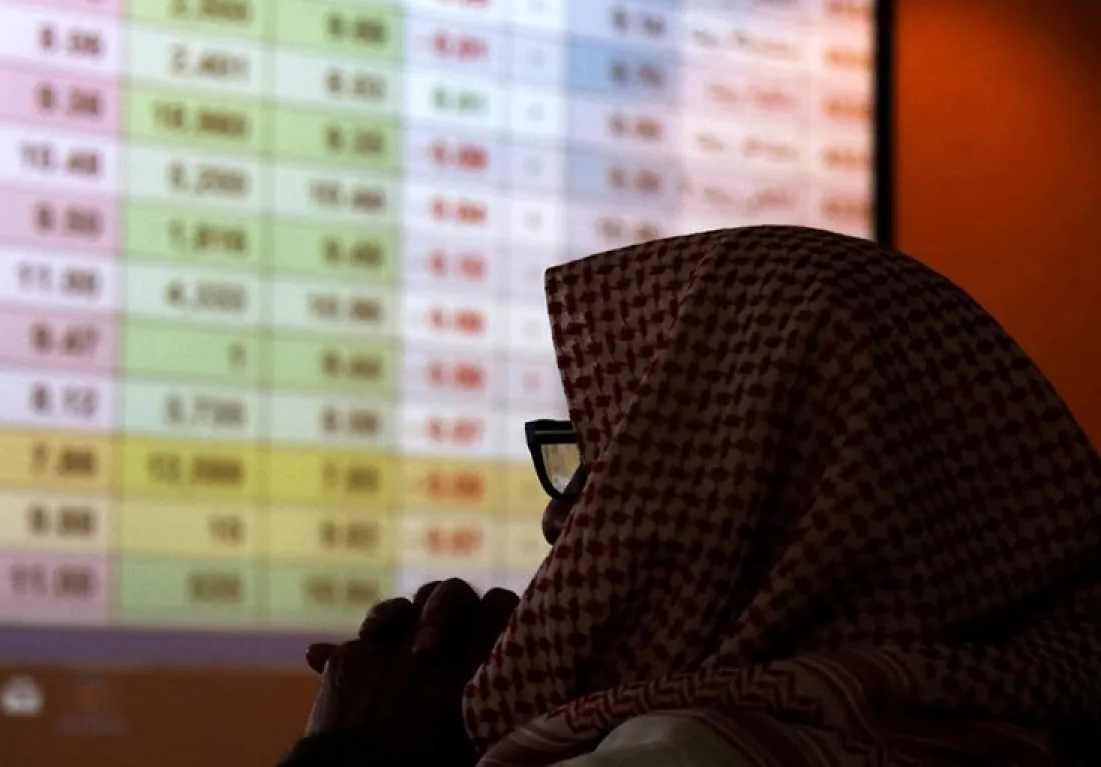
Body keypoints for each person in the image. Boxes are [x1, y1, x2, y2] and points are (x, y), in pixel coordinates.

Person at [277, 226, 1101, 767]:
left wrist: (361, 748)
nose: (563, 518)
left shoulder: (690, 748)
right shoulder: (1009, 724)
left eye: (623, 458)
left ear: (758, 493)